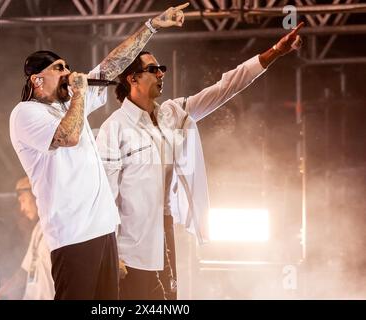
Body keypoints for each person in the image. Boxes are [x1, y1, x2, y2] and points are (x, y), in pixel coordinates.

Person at [96, 22, 305, 300]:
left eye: (162, 69)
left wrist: (275, 53)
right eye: (152, 70)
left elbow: (225, 87)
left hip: (165, 229)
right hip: (129, 244)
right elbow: (104, 196)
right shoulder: (115, 128)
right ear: (131, 79)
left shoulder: (173, 113)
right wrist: (112, 253)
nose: (161, 74)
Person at [9, 3, 190, 300]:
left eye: (67, 67)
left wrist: (152, 26)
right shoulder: (25, 113)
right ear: (37, 80)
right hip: (73, 235)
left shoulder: (69, 105)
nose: (68, 73)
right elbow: (67, 136)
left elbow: (110, 66)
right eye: (59, 69)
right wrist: (79, 94)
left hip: (103, 232)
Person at [0, 177, 54, 300]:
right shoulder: (38, 228)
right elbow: (25, 271)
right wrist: (4, 291)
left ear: (37, 196)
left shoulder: (59, 229)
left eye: (23, 200)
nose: (22, 208)